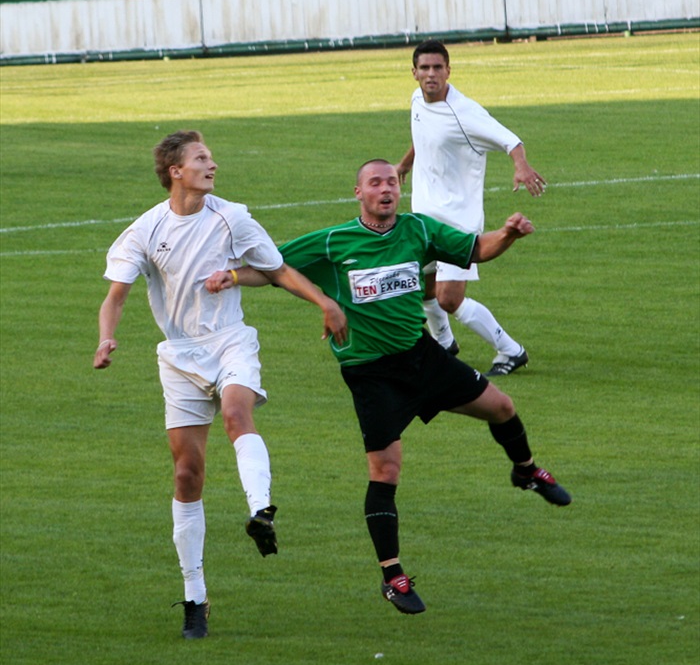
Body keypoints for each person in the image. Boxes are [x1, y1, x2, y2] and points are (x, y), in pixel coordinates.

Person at [205, 159, 571, 616]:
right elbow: (274, 267)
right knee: (385, 470)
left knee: (501, 406)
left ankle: (526, 471)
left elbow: (476, 249)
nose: (386, 190)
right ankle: (393, 577)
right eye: (375, 183)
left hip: (421, 357)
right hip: (370, 373)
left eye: (392, 183)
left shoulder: (418, 229)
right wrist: (233, 276)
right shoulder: (335, 240)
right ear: (358, 192)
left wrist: (509, 234)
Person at [93, 130, 347, 640]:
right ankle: (195, 598)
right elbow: (116, 294)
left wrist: (324, 301)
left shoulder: (232, 217)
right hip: (179, 356)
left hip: (231, 340)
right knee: (187, 474)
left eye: (210, 157)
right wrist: (106, 338)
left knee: (236, 414)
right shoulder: (146, 229)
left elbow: (277, 270)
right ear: (176, 172)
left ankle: (261, 510)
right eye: (201, 158)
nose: (212, 165)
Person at [395, 39, 547, 377]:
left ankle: (511, 350)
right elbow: (423, 134)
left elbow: (510, 140)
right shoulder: (417, 98)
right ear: (414, 72)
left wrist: (521, 166)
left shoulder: (465, 112)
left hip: (457, 220)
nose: (431, 74)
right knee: (421, 284)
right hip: (424, 217)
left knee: (449, 298)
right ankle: (444, 344)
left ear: (449, 70)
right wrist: (404, 165)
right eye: (424, 68)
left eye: (437, 67)